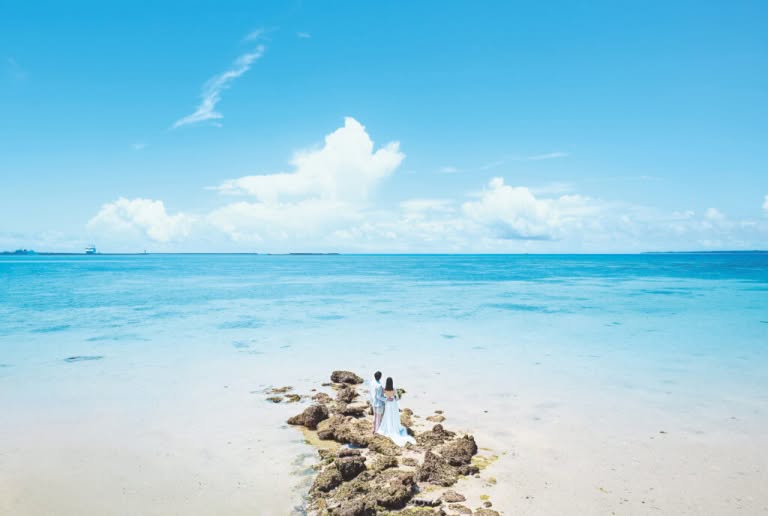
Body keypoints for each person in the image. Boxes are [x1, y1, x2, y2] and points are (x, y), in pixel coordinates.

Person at [375, 377, 416, 446]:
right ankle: (394, 427)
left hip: (388, 403)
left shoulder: (385, 389)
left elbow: (381, 397)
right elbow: (397, 398)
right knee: (394, 415)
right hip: (393, 403)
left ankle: (388, 428)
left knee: (388, 416)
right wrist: (394, 397)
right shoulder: (393, 389)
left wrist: (386, 399)